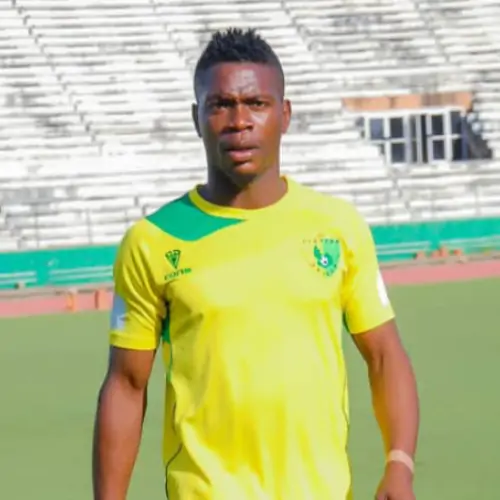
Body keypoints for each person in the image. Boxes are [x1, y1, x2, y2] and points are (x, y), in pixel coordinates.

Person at [92, 27, 419, 500]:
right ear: (196, 117)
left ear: (284, 115)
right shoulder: (152, 242)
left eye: (257, 104)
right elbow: (126, 385)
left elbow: (385, 354)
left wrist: (399, 464)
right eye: (220, 105)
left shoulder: (338, 226)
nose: (239, 121)